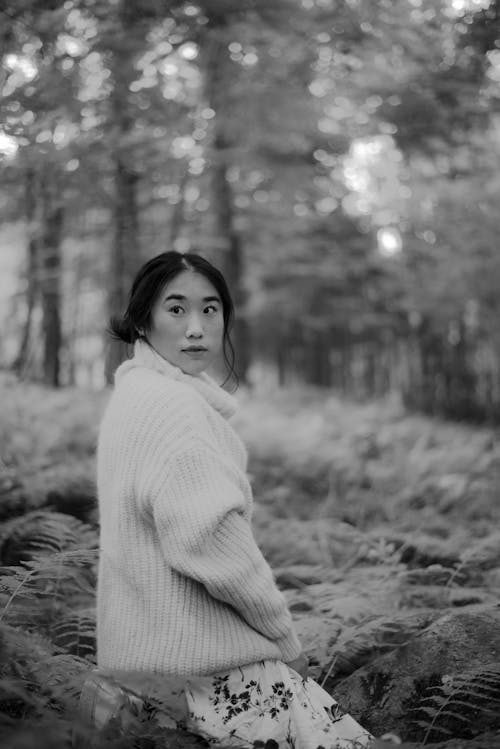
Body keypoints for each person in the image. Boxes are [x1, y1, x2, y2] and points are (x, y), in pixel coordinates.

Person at [95, 250, 373, 748]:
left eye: (210, 309)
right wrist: (286, 644)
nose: (197, 328)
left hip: (133, 679)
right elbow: (214, 545)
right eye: (175, 309)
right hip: (206, 683)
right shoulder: (174, 410)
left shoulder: (133, 397)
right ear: (142, 319)